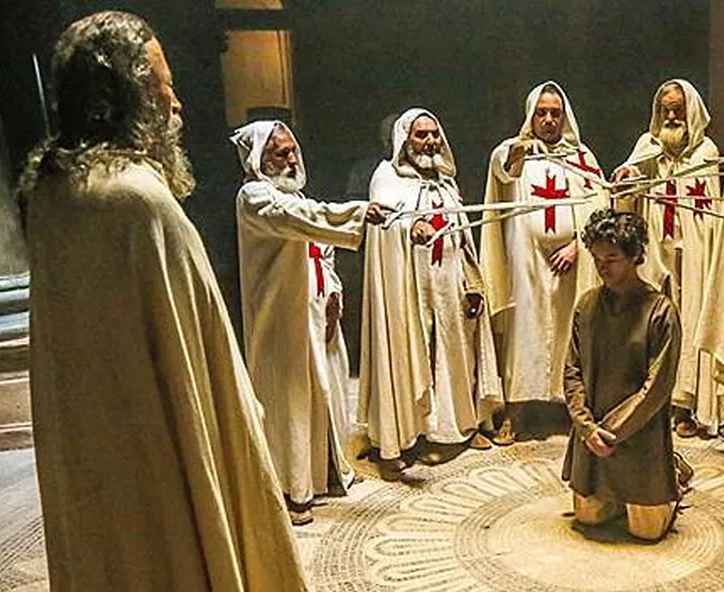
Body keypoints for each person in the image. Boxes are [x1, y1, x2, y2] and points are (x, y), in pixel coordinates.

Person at [19, 11, 330, 592]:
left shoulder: (51, 194)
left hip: (94, 461)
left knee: (119, 588)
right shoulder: (138, 203)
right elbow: (204, 363)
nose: (176, 102)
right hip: (162, 451)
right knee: (183, 577)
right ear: (126, 95)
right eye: (163, 86)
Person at [232, 120, 384, 525]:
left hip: (317, 313)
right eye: (280, 153)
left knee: (326, 393)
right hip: (282, 322)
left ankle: (328, 472)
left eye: (293, 150)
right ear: (258, 159)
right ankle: (292, 489)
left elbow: (320, 253)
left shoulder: (296, 196)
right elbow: (296, 218)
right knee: (292, 403)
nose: (291, 158)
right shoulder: (255, 198)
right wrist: (357, 212)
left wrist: (332, 293)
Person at [361, 108, 503, 479]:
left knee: (458, 354)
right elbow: (384, 223)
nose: (430, 142)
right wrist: (411, 227)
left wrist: (472, 282)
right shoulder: (387, 177)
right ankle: (414, 436)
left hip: (451, 284)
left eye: (434, 134)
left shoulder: (446, 181)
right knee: (415, 356)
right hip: (410, 289)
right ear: (404, 140)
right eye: (421, 135)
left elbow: (463, 235)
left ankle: (460, 427)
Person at [612, 79, 724, 439]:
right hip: (655, 250)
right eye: (665, 110)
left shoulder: (706, 153)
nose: (670, 116)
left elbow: (720, 202)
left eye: (678, 110)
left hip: (695, 251)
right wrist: (627, 176)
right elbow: (630, 182)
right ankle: (648, 403)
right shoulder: (648, 148)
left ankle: (686, 404)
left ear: (691, 112)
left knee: (693, 320)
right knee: (649, 323)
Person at [481, 81, 604, 445]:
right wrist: (518, 149)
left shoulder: (581, 157)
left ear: (564, 117)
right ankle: (516, 411)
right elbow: (502, 168)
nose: (549, 120)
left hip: (572, 261)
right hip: (528, 259)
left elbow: (600, 205)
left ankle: (573, 409)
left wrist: (579, 245)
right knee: (525, 331)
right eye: (541, 113)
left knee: (571, 331)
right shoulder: (518, 152)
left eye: (555, 113)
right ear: (531, 116)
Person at [562, 208, 683, 542]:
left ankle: (673, 473)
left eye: (612, 258)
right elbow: (572, 371)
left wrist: (611, 432)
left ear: (634, 256)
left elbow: (657, 386)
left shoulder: (660, 311)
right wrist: (587, 428)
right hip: (594, 437)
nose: (603, 267)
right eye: (597, 258)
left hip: (638, 436)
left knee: (646, 531)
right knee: (588, 518)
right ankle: (614, 492)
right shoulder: (587, 305)